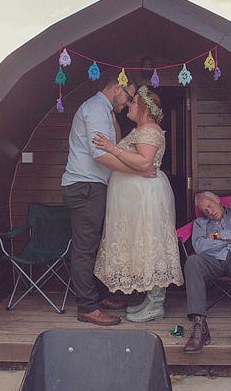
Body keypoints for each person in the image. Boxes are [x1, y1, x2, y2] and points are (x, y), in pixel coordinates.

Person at [61, 74, 156, 327]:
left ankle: (99, 297)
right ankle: (87, 307)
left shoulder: (105, 112)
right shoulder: (95, 109)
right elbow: (99, 155)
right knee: (85, 249)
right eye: (127, 97)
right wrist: (139, 171)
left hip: (92, 185)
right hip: (85, 186)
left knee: (93, 245)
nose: (127, 103)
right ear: (116, 89)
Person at [92, 86, 184, 323]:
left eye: (132, 103)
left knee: (148, 242)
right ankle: (148, 300)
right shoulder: (139, 130)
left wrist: (112, 148)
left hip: (144, 196)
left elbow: (144, 162)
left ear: (143, 106)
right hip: (133, 196)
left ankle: (156, 305)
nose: (128, 106)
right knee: (139, 243)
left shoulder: (150, 130)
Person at [183, 191, 231, 354]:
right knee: (192, 261)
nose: (209, 212)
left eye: (210, 206)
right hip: (213, 261)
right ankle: (200, 327)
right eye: (205, 210)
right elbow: (200, 247)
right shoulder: (200, 223)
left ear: (217, 200)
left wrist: (217, 236)